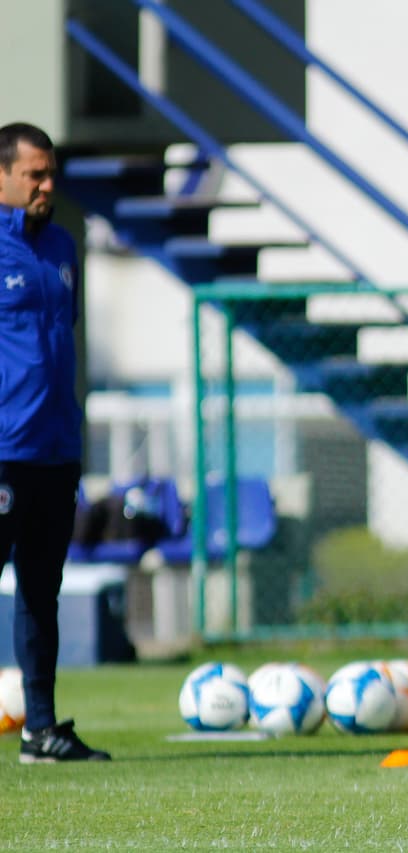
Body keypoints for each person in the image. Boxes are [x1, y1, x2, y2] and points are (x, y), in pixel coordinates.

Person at [0, 122, 110, 763]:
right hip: (4, 453)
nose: (46, 184)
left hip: (56, 452)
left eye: (50, 173)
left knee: (42, 595)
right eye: (33, 174)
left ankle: (40, 730)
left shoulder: (65, 246)